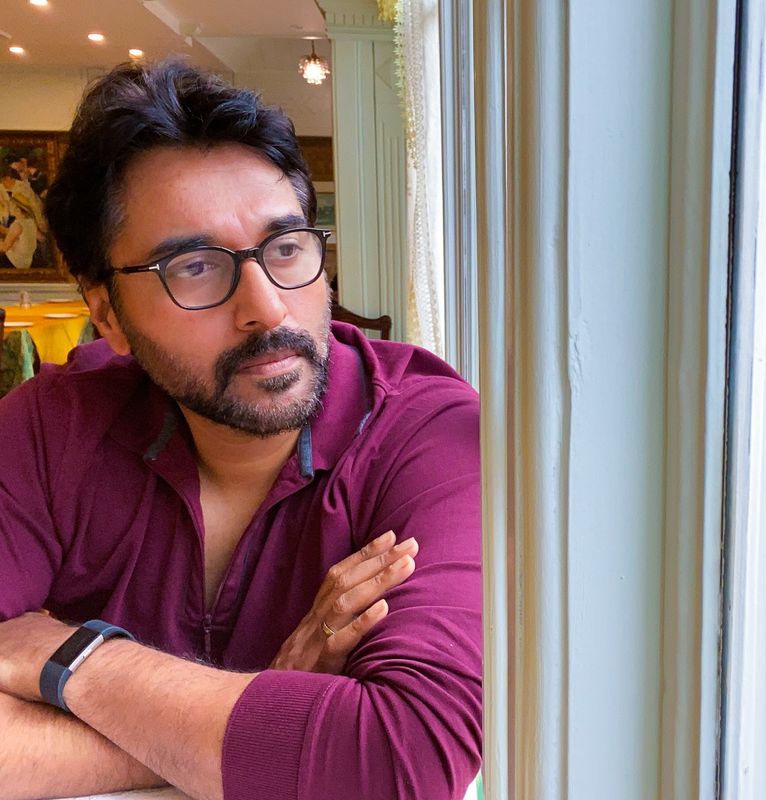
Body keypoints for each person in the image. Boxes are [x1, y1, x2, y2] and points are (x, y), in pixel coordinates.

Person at [0, 59, 482, 800]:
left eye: (286, 249)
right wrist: (271, 708)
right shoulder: (51, 427)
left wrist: (74, 662)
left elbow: (400, 762)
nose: (269, 309)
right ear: (107, 315)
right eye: (194, 266)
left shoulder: (429, 432)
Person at [0, 191, 38, 269]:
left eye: (11, 205)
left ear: (18, 209)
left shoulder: (17, 225)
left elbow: (4, 248)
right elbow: (11, 233)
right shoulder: (30, 222)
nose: (9, 207)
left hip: (15, 263)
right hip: (26, 263)